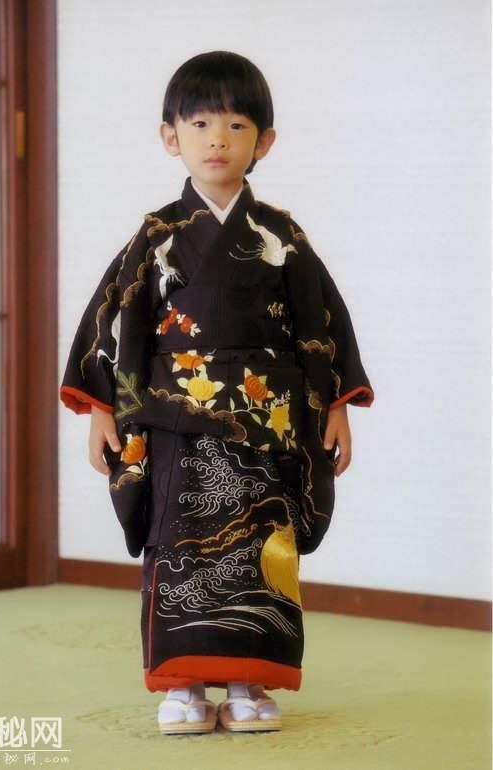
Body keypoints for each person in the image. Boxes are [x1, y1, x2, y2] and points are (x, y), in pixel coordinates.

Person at [59, 50, 374, 735]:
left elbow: (321, 322)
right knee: (177, 548)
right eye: (199, 123)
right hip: (175, 422)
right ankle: (182, 685)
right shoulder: (157, 235)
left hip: (268, 423)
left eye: (236, 125)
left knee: (263, 547)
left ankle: (248, 682)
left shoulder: (280, 236)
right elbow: (116, 320)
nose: (217, 139)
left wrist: (337, 405)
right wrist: (103, 408)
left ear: (265, 141)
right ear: (169, 135)